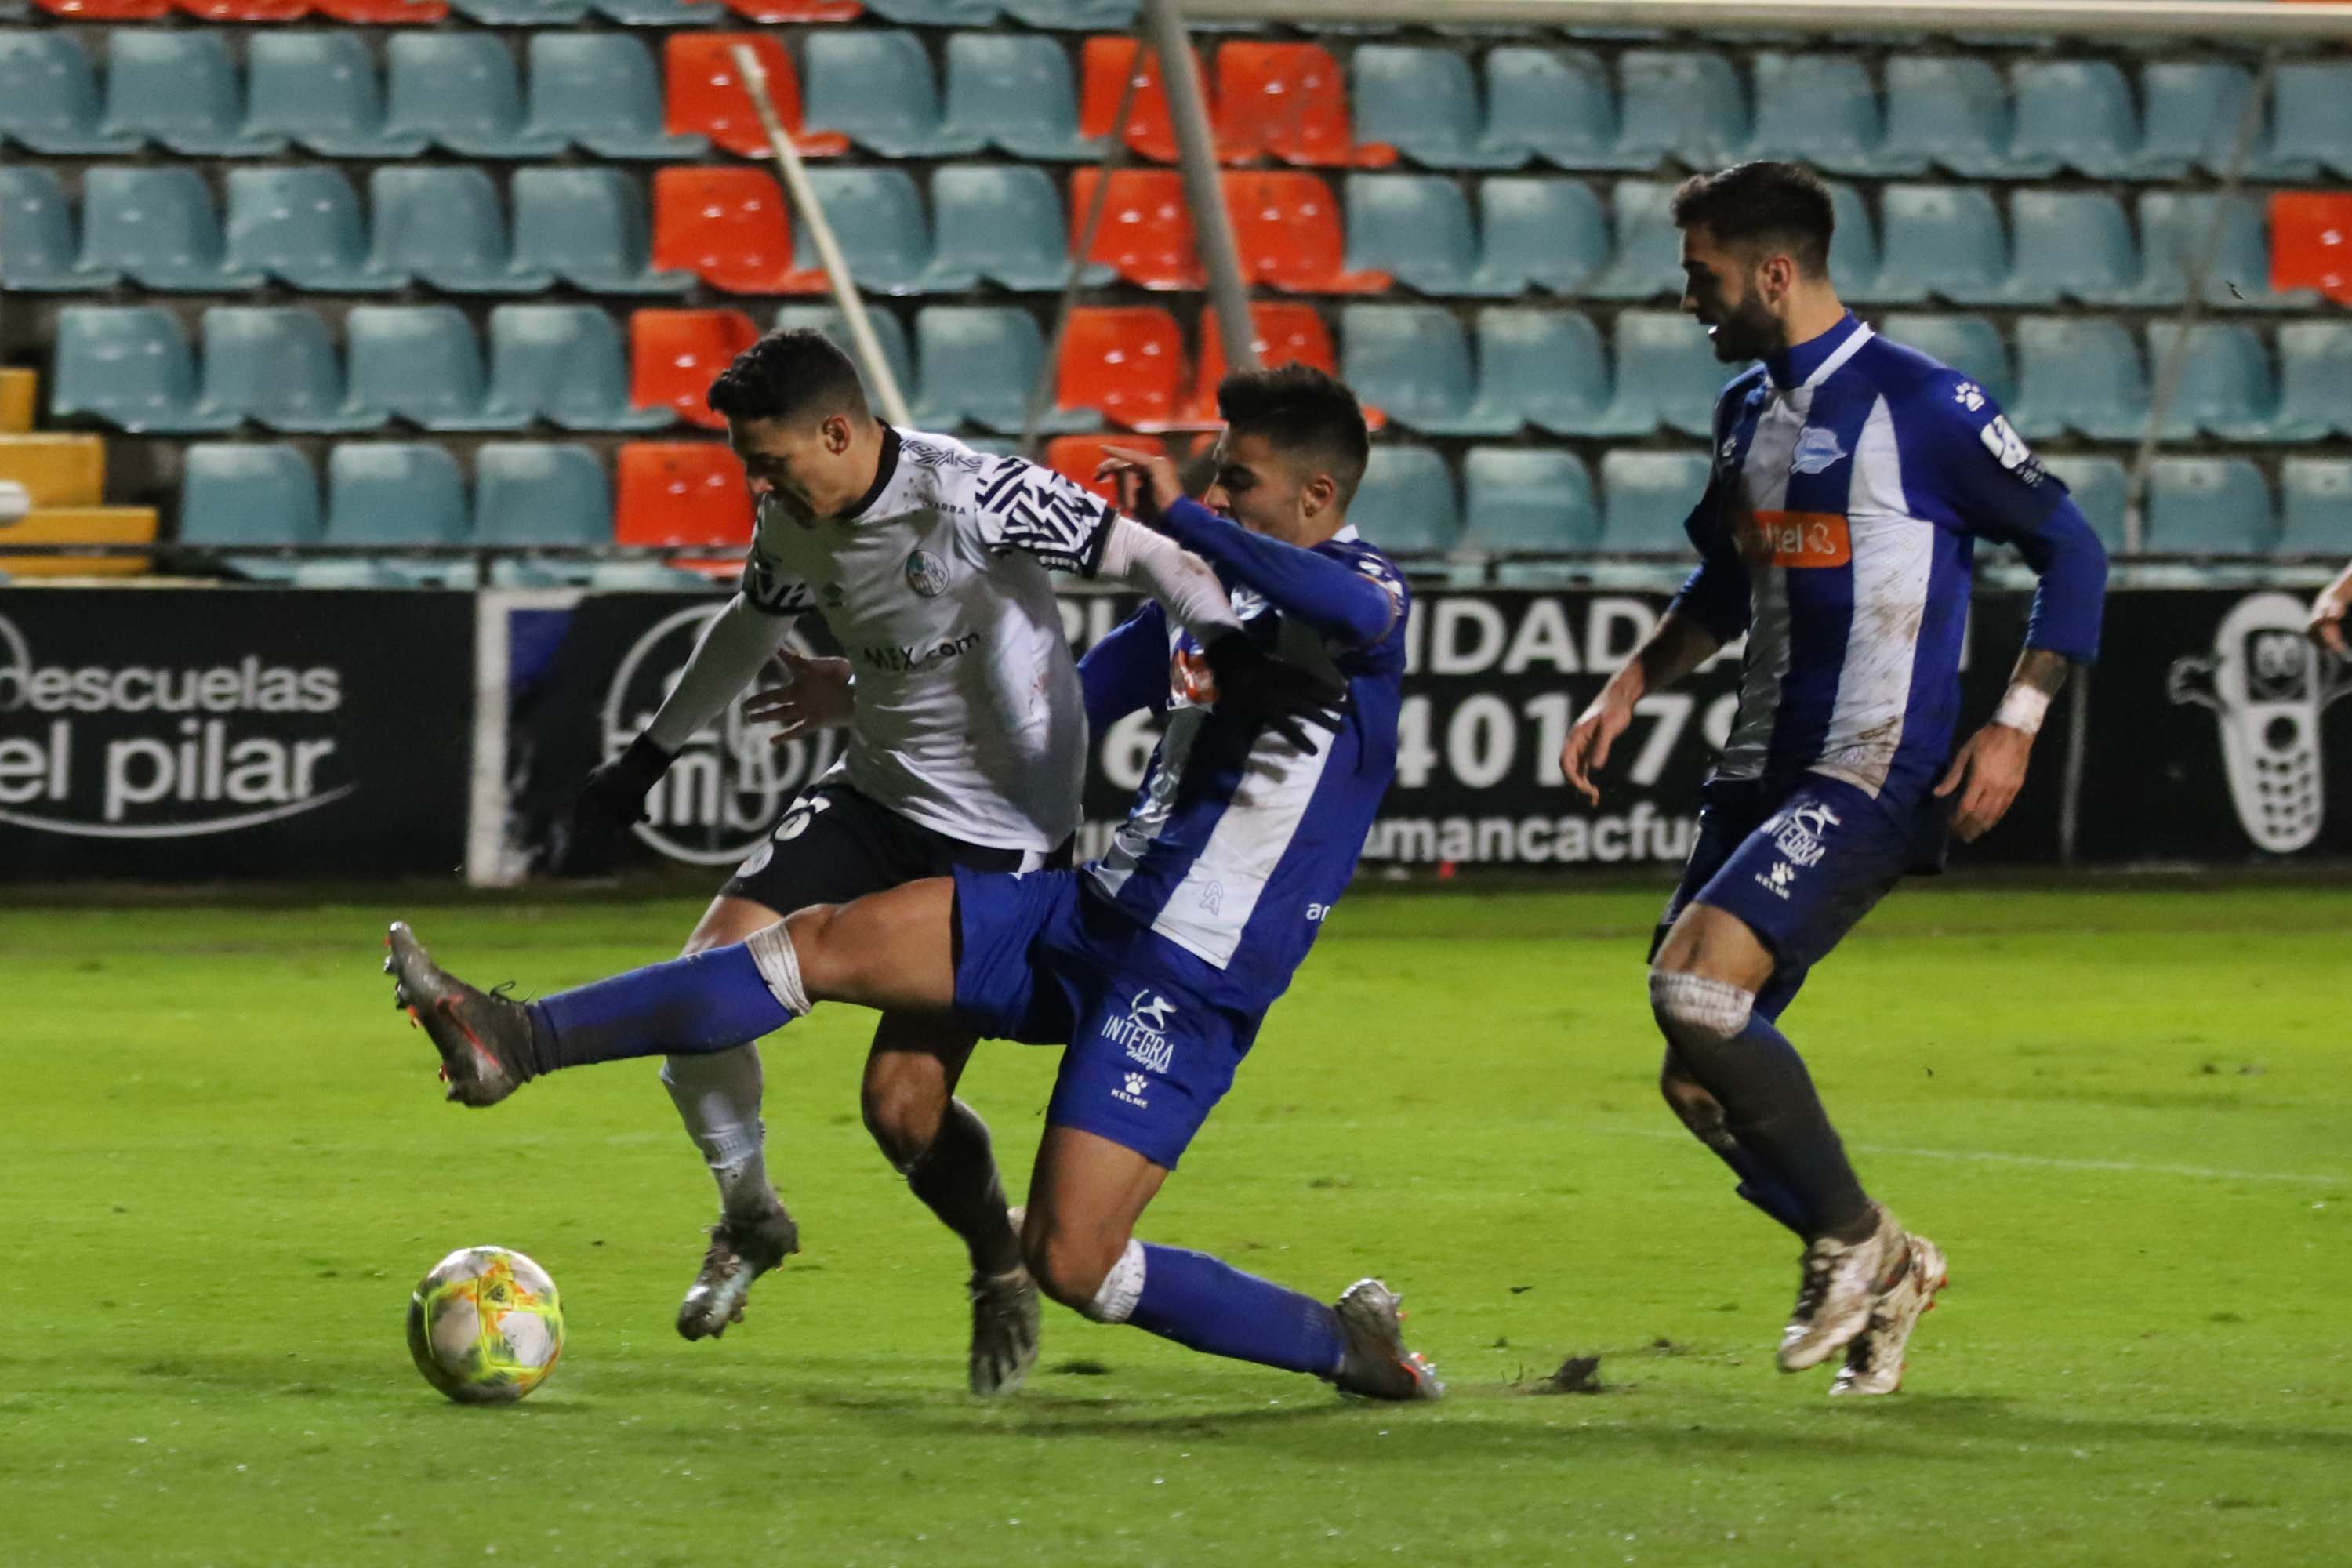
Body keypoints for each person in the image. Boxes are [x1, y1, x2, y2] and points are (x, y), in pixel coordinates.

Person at [385, 365, 1441, 1402]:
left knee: (1078, 1263)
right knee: (816, 943)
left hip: (1192, 974)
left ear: (1316, 497)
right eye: (1213, 476)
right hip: (1088, 911)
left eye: (1238, 480)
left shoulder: (1363, 598)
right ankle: (515, 1042)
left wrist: (1175, 516)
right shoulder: (1200, 604)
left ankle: (1342, 1345)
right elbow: (1067, 690)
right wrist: (854, 686)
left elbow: (1350, 610)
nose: (1215, 497)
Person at [564, 328, 1324, 1393]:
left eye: (770, 458)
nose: (756, 481)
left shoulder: (974, 492)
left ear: (838, 431)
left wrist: (1230, 649)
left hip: (999, 838)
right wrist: (649, 755)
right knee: (700, 998)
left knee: (900, 1108)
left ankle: (996, 1260)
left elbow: (1151, 553)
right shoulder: (790, 508)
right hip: (875, 795)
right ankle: (751, 1212)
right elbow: (750, 621)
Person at [1558, 162, 2108, 1396]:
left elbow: (2072, 549)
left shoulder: (1924, 403)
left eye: (1701, 276)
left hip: (1873, 759)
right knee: (1696, 1075)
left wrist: (2015, 722)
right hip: (1758, 767)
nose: (1687, 298)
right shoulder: (1745, 412)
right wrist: (1633, 682)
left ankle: (1852, 1242)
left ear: (1773, 272)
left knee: (1697, 994)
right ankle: (1893, 1262)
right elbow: (1724, 578)